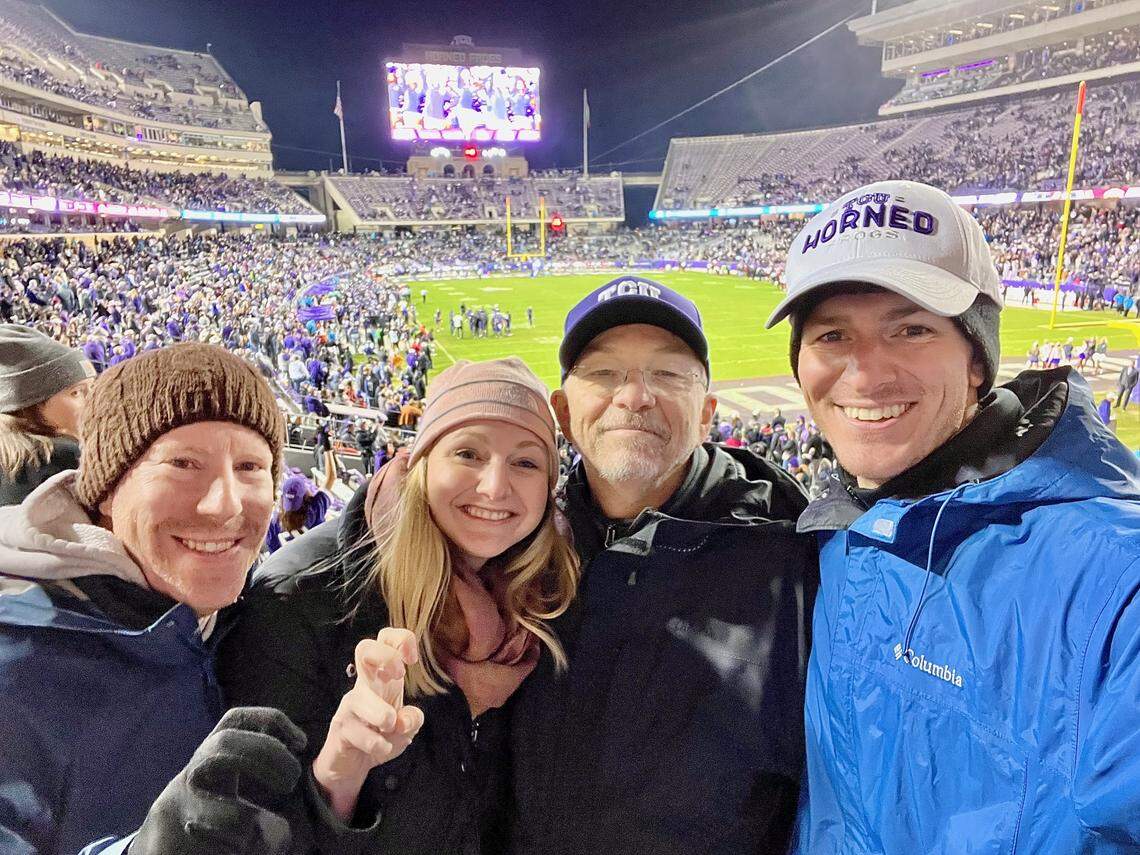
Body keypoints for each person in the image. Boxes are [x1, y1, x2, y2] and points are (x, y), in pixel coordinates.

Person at [766, 180, 1140, 853]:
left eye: (909, 329)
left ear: (976, 359)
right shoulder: (839, 533)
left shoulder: (1113, 580)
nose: (864, 375)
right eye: (832, 334)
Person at [210, 357, 579, 852]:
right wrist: (339, 773)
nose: (495, 486)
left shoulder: (547, 591)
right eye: (467, 453)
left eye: (526, 462)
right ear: (421, 462)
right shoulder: (300, 596)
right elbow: (253, 829)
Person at [509, 276, 817, 854]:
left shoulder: (795, 561)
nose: (634, 396)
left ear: (706, 414)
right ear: (562, 410)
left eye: (668, 374)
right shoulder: (511, 548)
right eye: (604, 373)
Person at [0, 343, 293, 854]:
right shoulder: (14, 664)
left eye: (250, 467)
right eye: (183, 463)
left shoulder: (244, 617)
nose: (224, 504)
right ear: (107, 488)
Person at [0, 325, 95, 505]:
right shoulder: (62, 458)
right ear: (30, 405)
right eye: (76, 392)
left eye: (92, 388)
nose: (91, 400)